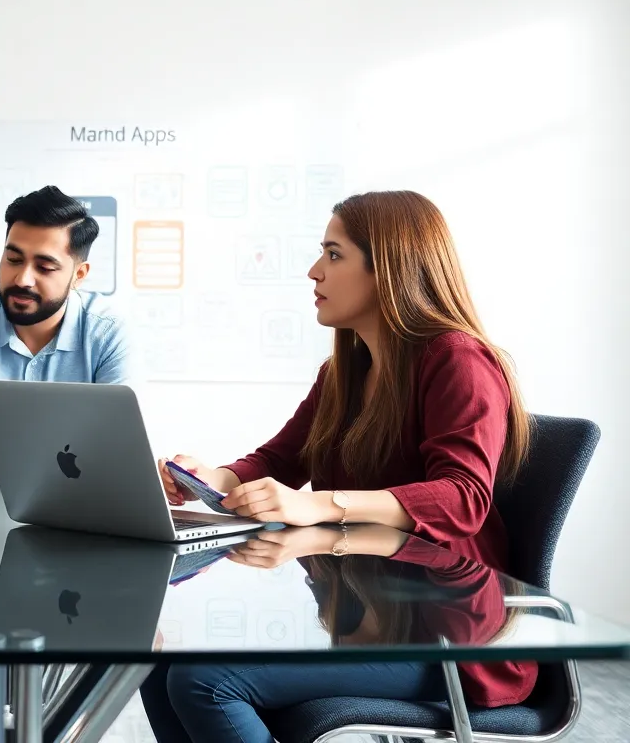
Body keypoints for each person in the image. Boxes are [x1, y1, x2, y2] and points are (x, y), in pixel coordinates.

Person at [143, 190, 532, 743]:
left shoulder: (459, 360)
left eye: (333, 254)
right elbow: (279, 459)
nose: (314, 271)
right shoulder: (343, 372)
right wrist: (213, 479)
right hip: (370, 613)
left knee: (207, 681)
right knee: (156, 665)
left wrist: (321, 504)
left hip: (447, 643)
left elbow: (463, 497)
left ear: (389, 268)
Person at [0, 185, 137, 383]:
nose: (22, 279)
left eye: (44, 267)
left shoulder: (107, 334)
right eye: (14, 260)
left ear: (78, 275)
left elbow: (119, 417)